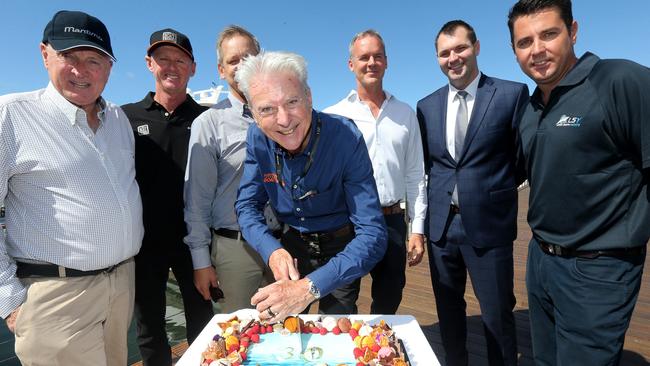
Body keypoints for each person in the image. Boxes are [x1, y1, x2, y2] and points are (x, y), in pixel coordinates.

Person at [508, 1, 649, 364]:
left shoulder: (619, 81)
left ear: (572, 31)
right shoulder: (530, 108)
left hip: (598, 269)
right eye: (524, 42)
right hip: (540, 261)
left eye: (549, 34)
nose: (537, 50)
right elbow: (519, 173)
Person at [0, 10, 143, 366]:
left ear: (109, 68)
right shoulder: (10, 117)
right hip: (56, 298)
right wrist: (10, 300)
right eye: (69, 57)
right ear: (45, 54)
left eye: (93, 60)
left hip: (121, 285)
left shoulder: (119, 120)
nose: (81, 71)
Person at [234, 51, 388, 320]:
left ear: (309, 96)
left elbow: (372, 233)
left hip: (343, 250)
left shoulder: (345, 137)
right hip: (290, 247)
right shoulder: (257, 138)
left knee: (336, 328)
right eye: (267, 109)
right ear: (254, 114)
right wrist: (272, 251)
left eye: (292, 102)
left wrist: (309, 288)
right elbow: (246, 206)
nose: (283, 120)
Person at [416, 20, 528, 366]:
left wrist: (491, 192)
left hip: (489, 226)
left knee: (496, 316)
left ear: (476, 47)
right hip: (441, 230)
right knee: (449, 314)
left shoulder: (511, 94)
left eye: (461, 48)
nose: (454, 57)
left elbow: (521, 159)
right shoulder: (426, 106)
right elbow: (427, 165)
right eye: (445, 53)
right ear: (437, 58)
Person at [121, 28, 213, 365]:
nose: (171, 66)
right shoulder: (125, 117)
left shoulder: (207, 119)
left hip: (196, 241)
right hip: (143, 242)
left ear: (193, 68)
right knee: (149, 328)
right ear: (149, 64)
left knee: (204, 323)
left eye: (180, 60)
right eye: (163, 59)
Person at [323, 29, 426, 315]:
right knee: (339, 306)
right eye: (364, 57)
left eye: (377, 56)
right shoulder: (333, 116)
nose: (371, 62)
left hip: (392, 221)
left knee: (388, 303)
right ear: (351, 64)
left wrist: (417, 230)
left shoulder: (405, 114)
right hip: (346, 224)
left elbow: (415, 174)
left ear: (386, 62)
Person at [184, 25, 274, 313]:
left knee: (288, 334)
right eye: (234, 60)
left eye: (249, 57)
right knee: (239, 340)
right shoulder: (208, 124)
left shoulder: (282, 114)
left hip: (283, 243)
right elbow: (196, 200)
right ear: (221, 70)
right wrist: (201, 262)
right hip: (235, 251)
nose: (242, 66)